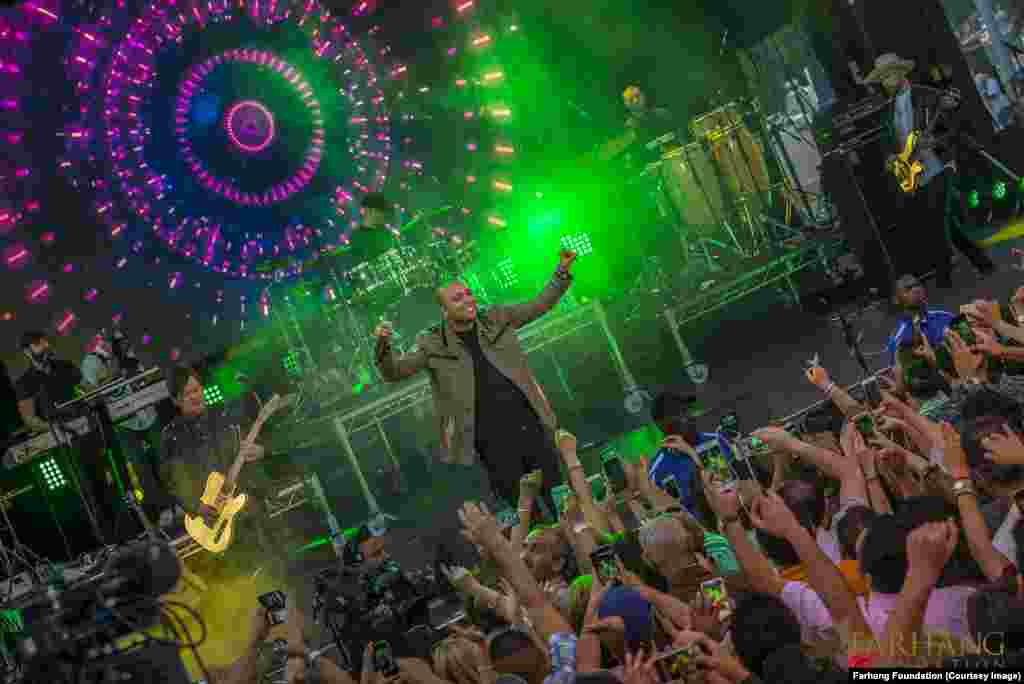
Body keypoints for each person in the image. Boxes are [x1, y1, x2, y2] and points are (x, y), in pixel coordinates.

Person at [373, 249, 577, 513]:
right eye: (457, 298)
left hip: (528, 421)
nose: (468, 300)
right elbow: (394, 372)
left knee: (560, 500)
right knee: (524, 512)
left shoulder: (496, 318)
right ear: (444, 310)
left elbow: (539, 304)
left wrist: (561, 272)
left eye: (468, 294)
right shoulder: (433, 343)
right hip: (489, 439)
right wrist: (383, 345)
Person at [865, 53, 994, 288]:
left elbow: (956, 128)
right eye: (882, 77)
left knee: (936, 221)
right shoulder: (888, 109)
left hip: (939, 165)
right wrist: (890, 157)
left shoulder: (927, 95)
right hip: (915, 173)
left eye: (889, 74)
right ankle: (982, 263)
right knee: (944, 223)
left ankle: (944, 277)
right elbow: (889, 143)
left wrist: (935, 141)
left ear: (901, 72)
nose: (886, 80)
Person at [156, 365, 284, 573]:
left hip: (249, 504)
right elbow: (173, 482)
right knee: (240, 574)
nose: (195, 396)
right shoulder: (172, 437)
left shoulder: (226, 414)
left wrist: (262, 450)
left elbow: (258, 441)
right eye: (187, 394)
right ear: (176, 400)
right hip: (215, 518)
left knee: (276, 561)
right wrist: (197, 507)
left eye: (196, 389)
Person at [647, 390, 734, 525]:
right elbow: (671, 518)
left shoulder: (716, 440)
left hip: (734, 520)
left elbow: (726, 481)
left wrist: (691, 453)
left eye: (687, 410)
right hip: (701, 534)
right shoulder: (658, 469)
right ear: (662, 425)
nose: (689, 416)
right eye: (679, 412)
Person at [14, 330, 82, 433]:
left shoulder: (67, 366)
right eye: (38, 343)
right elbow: (30, 420)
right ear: (27, 352)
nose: (46, 345)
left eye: (45, 341)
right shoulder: (23, 384)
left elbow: (85, 389)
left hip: (84, 420)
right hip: (59, 436)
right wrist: (54, 428)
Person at [886, 273, 955, 368]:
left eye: (917, 285)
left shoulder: (945, 317)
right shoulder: (898, 339)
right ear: (896, 299)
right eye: (908, 289)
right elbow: (899, 372)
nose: (916, 289)